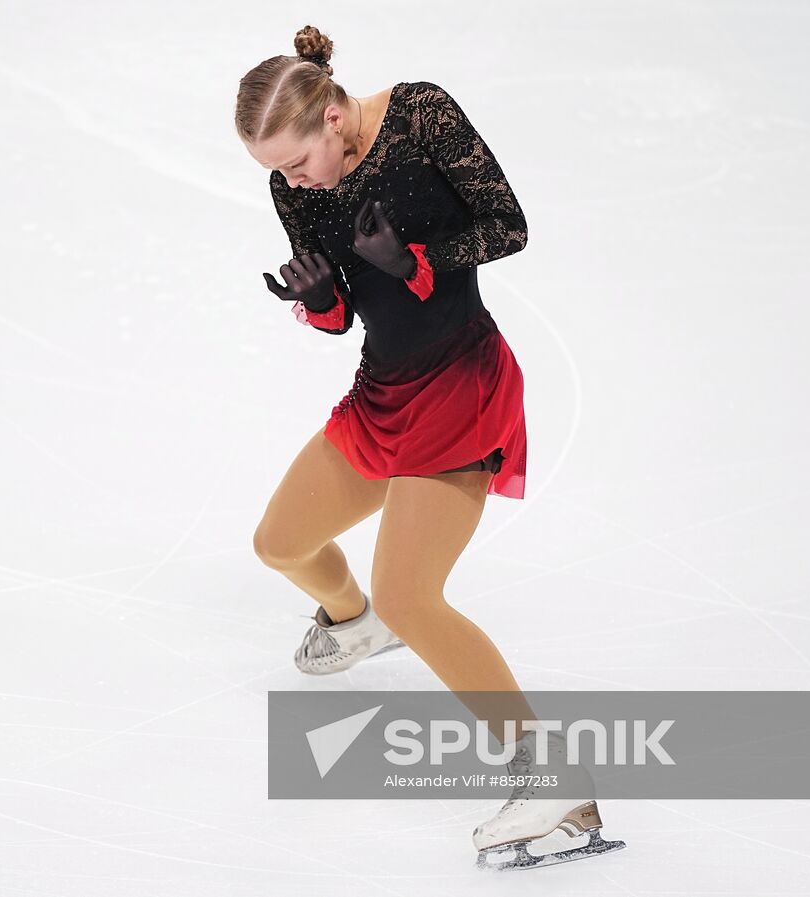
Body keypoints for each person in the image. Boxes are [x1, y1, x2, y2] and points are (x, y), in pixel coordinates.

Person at [233, 25, 625, 870]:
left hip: (461, 384)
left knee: (414, 592)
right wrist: (320, 299)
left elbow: (507, 225)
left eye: (298, 160)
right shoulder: (295, 184)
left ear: (333, 117)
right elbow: (342, 312)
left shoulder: (420, 115)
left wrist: (413, 259)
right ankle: (352, 623)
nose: (291, 181)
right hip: (383, 391)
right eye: (277, 171)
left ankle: (552, 777)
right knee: (279, 544)